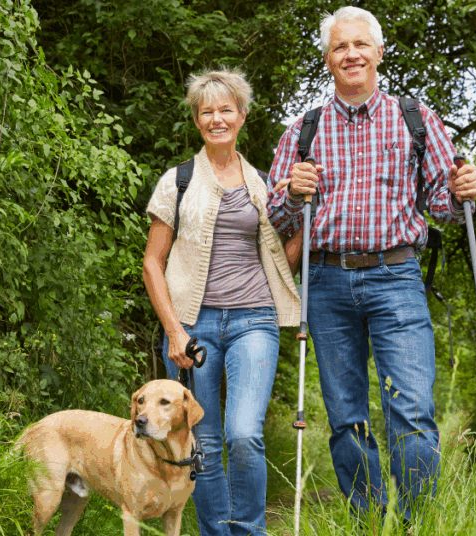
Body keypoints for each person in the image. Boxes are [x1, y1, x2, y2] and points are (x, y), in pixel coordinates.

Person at [266, 6, 476, 523]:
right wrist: (293, 194)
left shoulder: (416, 119)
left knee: (410, 411)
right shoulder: (304, 129)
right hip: (326, 279)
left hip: (396, 277)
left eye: (360, 45)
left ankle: (415, 523)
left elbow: (445, 207)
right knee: (345, 418)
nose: (351, 55)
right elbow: (273, 215)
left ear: (379, 52)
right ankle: (366, 520)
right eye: (340, 47)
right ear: (327, 60)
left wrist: (462, 192)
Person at [143, 67, 301, 536]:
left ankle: (249, 531)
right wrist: (174, 330)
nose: (216, 119)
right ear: (196, 120)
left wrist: (308, 224)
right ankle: (215, 531)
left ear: (242, 116)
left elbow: (279, 261)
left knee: (244, 434)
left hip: (255, 319)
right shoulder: (179, 181)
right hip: (193, 325)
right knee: (202, 437)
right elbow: (153, 263)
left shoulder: (264, 184)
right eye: (206, 111)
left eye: (225, 110)